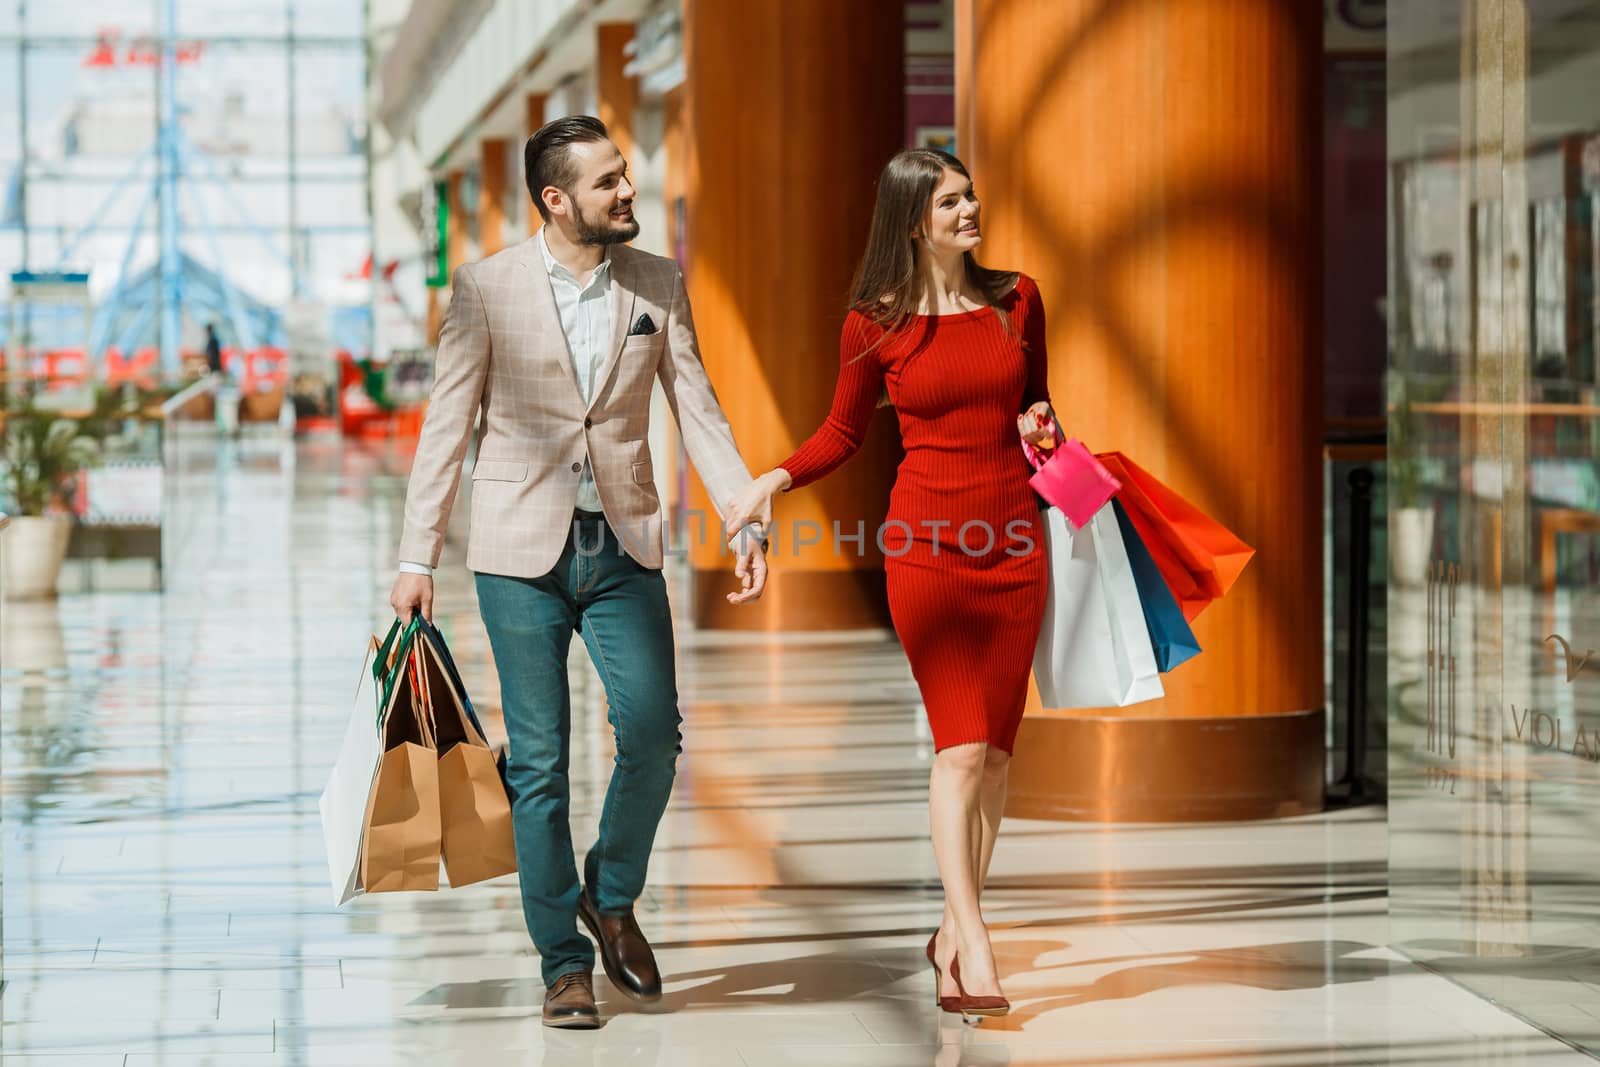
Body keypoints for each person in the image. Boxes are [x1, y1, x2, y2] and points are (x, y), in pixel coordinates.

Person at [390, 116, 768, 1030]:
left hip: (623, 543)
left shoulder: (657, 282)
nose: (626, 192)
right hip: (518, 553)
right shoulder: (485, 289)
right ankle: (563, 961)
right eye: (607, 183)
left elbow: (699, 408)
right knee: (543, 763)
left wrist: (740, 509)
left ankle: (611, 890)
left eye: (624, 175)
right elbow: (447, 428)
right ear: (556, 200)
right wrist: (414, 556)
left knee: (653, 732)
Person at [723, 148, 1057, 1019]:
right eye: (951, 201)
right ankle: (974, 938)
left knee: (995, 757)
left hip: (1017, 544)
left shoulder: (1018, 298)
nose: (971, 208)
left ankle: (953, 928)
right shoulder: (874, 324)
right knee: (957, 747)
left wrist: (1044, 425)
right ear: (913, 220)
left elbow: (1039, 403)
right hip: (926, 550)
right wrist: (771, 481)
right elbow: (842, 432)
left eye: (971, 193)